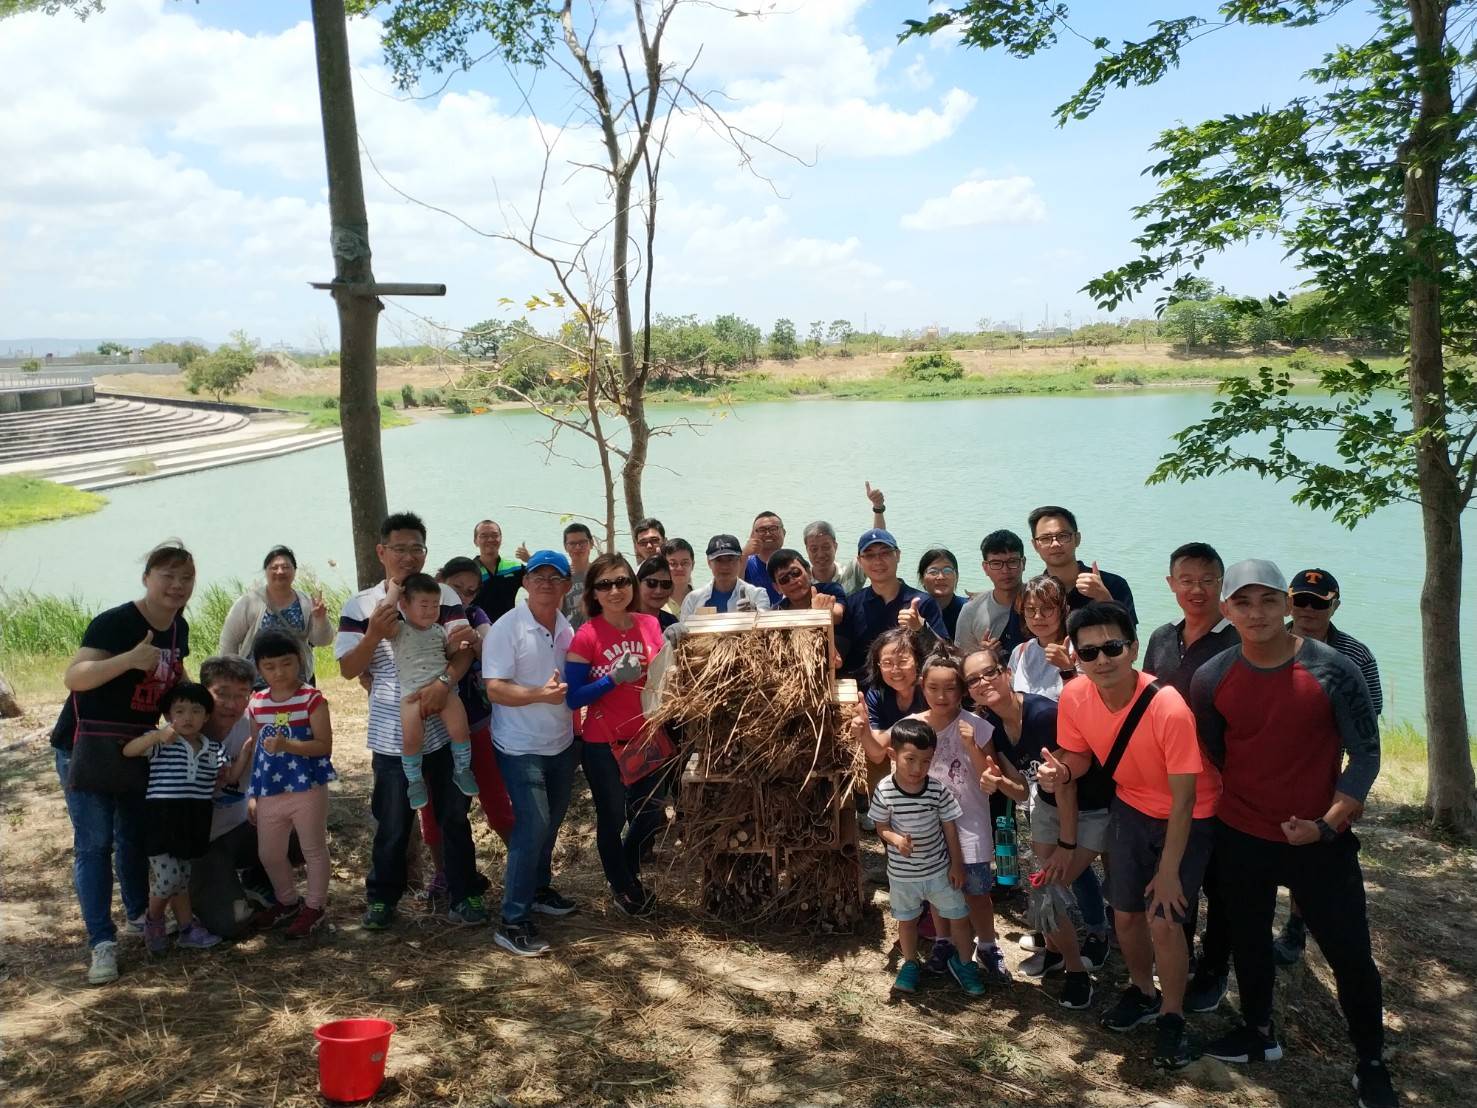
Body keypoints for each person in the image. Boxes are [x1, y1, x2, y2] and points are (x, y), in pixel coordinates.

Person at [1191, 560, 1396, 1108]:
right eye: (1242, 602)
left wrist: (1328, 824)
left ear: (1285, 604)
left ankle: (1370, 1061)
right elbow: (1215, 750)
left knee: (1350, 954)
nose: (1255, 613)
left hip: (1319, 840)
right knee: (1248, 938)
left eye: (1266, 601)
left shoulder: (1333, 670)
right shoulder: (1212, 678)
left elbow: (1367, 754)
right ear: (1227, 610)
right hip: (1242, 835)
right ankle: (1259, 1031)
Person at [1038, 601, 1221, 1071]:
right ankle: (1142, 991)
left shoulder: (1167, 707)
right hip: (1132, 805)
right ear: (1076, 657)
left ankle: (1173, 1015)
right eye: (1090, 652)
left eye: (1113, 647)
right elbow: (1078, 756)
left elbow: (1184, 800)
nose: (1102, 660)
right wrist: (1061, 772)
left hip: (1190, 813)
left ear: (1133, 648)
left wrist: (1167, 873)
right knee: (1126, 917)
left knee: (1165, 917)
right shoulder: (1076, 696)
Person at [53, 540, 194, 985]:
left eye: (186, 577)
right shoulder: (116, 623)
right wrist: (129, 660)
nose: (177, 586)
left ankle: (137, 915)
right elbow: (74, 677)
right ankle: (101, 942)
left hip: (137, 745)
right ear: (147, 578)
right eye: (167, 576)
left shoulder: (178, 626)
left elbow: (176, 676)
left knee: (132, 836)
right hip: (86, 748)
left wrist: (198, 710)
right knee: (95, 845)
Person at [336, 512, 487, 932]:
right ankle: (383, 898)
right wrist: (371, 636)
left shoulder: (442, 596)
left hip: (443, 724)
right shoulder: (362, 605)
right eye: (399, 548)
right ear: (381, 552)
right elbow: (349, 669)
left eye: (416, 548)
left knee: (454, 814)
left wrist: (445, 682)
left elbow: (462, 650)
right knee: (393, 820)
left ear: (425, 552)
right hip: (391, 730)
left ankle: (464, 892)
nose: (407, 556)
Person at [966, 647, 1110, 1007]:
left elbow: (1068, 783)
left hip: (1089, 808)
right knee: (1043, 888)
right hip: (1046, 805)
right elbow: (1019, 791)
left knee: (1052, 884)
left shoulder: (1044, 715)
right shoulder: (995, 728)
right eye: (973, 680)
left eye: (989, 672)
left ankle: (1083, 963)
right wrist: (996, 780)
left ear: (1008, 673)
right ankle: (1063, 958)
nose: (983, 683)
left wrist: (1067, 843)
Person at [1141, 541, 1240, 1012]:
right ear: (1171, 583)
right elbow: (1143, 701)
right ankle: (1173, 955)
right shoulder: (1162, 637)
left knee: (1221, 883)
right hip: (1167, 785)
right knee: (1174, 875)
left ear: (1222, 584)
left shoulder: (1238, 639)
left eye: (1207, 580)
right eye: (1186, 580)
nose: (1196, 589)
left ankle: (1215, 965)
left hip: (1226, 783)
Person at [1274, 566, 1385, 968]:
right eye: (1300, 600)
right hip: (1264, 764)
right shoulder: (1264, 639)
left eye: (1319, 603)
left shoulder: (1356, 655)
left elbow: (1368, 723)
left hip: (1323, 769)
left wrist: (1352, 790)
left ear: (1334, 605)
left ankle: (1295, 928)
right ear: (1288, 602)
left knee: (1312, 851)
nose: (1308, 609)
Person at [565, 553, 673, 917]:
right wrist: (611, 680)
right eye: (605, 584)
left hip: (647, 737)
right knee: (612, 818)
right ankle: (624, 886)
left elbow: (664, 676)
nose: (615, 590)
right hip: (603, 742)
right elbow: (573, 697)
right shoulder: (586, 635)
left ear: (632, 584)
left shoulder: (649, 624)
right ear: (593, 592)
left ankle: (626, 875)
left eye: (622, 581)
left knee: (649, 813)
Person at [482, 550, 579, 957]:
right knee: (532, 826)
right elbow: (495, 688)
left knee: (550, 822)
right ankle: (513, 920)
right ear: (524, 583)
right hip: (519, 746)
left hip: (560, 742)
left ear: (566, 587)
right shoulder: (508, 628)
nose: (545, 582)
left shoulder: (566, 627)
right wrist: (541, 694)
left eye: (554, 577)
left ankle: (538, 888)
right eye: (537, 575)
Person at [912, 650, 1023, 982]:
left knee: (977, 892)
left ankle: (987, 945)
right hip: (930, 827)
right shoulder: (914, 726)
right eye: (934, 688)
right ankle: (943, 942)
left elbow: (986, 779)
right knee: (938, 890)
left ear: (962, 690)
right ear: (923, 687)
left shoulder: (979, 727)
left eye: (951, 688)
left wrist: (972, 745)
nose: (942, 696)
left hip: (970, 823)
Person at [868, 717, 987, 998]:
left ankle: (964, 962)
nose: (917, 768)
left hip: (938, 871)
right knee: (906, 920)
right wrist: (896, 839)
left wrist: (956, 864)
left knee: (958, 916)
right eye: (910, 759)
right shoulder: (885, 790)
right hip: (903, 876)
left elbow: (950, 828)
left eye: (925, 761)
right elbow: (881, 826)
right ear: (892, 755)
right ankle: (910, 963)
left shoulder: (936, 790)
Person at [244, 631, 336, 939]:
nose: (279, 672)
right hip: (270, 789)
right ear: (259, 668)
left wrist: (289, 745)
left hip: (307, 786)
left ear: (301, 660)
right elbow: (257, 748)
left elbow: (324, 746)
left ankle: (315, 907)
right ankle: (287, 901)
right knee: (269, 853)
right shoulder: (255, 702)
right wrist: (253, 794)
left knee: (313, 848)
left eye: (286, 663)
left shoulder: (311, 699)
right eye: (270, 666)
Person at [122, 682, 224, 953]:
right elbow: (129, 750)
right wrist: (155, 736)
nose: (187, 717)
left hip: (193, 819)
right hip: (161, 818)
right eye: (179, 711)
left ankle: (187, 928)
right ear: (168, 716)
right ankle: (153, 920)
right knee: (168, 879)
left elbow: (225, 777)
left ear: (206, 716)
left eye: (195, 710)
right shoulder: (164, 742)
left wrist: (248, 752)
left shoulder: (213, 748)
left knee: (182, 878)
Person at [188, 654, 272, 940]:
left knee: (297, 821)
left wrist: (258, 798)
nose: (232, 704)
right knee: (231, 926)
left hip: (242, 829)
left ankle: (259, 879)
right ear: (204, 693)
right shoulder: (184, 732)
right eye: (222, 694)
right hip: (201, 845)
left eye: (241, 695)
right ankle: (226, 891)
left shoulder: (254, 723)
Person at [384, 572, 479, 809]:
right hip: (412, 696)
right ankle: (414, 781)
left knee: (460, 729)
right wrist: (394, 591)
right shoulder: (398, 630)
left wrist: (457, 645)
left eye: (435, 605)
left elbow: (447, 655)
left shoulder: (439, 630)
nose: (430, 610)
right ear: (405, 606)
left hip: (444, 690)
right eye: (423, 605)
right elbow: (383, 617)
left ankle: (462, 769)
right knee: (412, 740)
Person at [837, 529, 946, 677]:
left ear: (898, 555)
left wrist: (920, 628)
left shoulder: (922, 603)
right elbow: (839, 654)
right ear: (860, 561)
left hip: (908, 690)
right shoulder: (853, 604)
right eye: (869, 555)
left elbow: (945, 657)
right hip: (861, 691)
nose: (878, 561)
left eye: (885, 553)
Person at [217, 545, 332, 684]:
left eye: (285, 567)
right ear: (265, 571)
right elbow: (229, 641)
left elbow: (323, 641)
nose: (280, 571)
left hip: (299, 684)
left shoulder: (306, 603)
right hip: (256, 686)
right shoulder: (249, 602)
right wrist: (232, 679)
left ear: (294, 571)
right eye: (274, 567)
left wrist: (320, 619)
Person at [1028, 506, 1137, 622]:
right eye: (1045, 538)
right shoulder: (1031, 595)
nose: (1055, 544)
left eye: (1063, 536)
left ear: (1077, 539)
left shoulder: (1113, 585)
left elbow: (1131, 638)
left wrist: (1104, 598)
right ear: (1035, 545)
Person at [803, 482, 887, 594]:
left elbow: (876, 543)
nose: (820, 554)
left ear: (835, 546)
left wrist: (878, 508)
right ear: (807, 550)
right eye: (814, 549)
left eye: (826, 547)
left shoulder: (850, 573)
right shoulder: (800, 580)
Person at [955, 530, 1027, 657]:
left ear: (1023, 563)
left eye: (1012, 562)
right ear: (985, 568)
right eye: (996, 564)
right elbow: (962, 661)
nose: (1005, 570)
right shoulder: (971, 610)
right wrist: (984, 656)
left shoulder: (1041, 601)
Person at [1008, 575, 1077, 699]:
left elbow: (1085, 700)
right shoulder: (1020, 652)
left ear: (1063, 610)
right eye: (1030, 609)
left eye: (1047, 608)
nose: (1038, 616)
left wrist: (1067, 668)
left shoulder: (1079, 651)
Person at [679, 535, 772, 618]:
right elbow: (684, 631)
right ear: (709, 562)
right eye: (719, 560)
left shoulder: (757, 595)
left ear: (740, 560)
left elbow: (765, 627)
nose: (725, 566)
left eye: (730, 559)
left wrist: (754, 613)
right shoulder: (693, 599)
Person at [472, 519, 526, 623]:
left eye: (494, 535)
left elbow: (539, 582)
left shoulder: (515, 568)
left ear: (501, 539)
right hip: (479, 631)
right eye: (484, 536)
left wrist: (530, 560)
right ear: (475, 541)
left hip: (509, 629)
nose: (490, 539)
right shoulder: (469, 571)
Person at [766, 547, 845, 618]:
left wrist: (822, 613)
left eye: (795, 572)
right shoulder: (776, 613)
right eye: (784, 579)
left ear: (808, 572)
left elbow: (838, 615)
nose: (793, 581)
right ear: (777, 587)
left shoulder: (830, 590)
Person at [917, 547, 966, 640]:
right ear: (922, 579)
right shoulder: (915, 611)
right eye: (933, 572)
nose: (941, 577)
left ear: (957, 576)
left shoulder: (968, 609)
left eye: (947, 570)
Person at [743, 511, 787, 602]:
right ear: (753, 535)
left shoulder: (794, 563)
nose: (768, 534)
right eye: (762, 530)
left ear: (784, 532)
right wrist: (743, 555)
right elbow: (733, 590)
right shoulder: (745, 563)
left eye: (773, 529)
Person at [561, 523, 596, 629]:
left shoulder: (600, 574)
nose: (578, 547)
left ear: (591, 543)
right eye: (572, 543)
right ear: (566, 547)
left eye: (582, 542)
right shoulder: (562, 577)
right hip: (571, 637)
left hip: (599, 634)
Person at [634, 556, 680, 631]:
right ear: (638, 583)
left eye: (665, 584)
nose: (658, 591)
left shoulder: (671, 622)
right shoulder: (625, 621)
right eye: (651, 583)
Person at [660, 538, 696, 617]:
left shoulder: (701, 599)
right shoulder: (657, 602)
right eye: (673, 563)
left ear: (692, 565)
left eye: (684, 563)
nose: (679, 568)